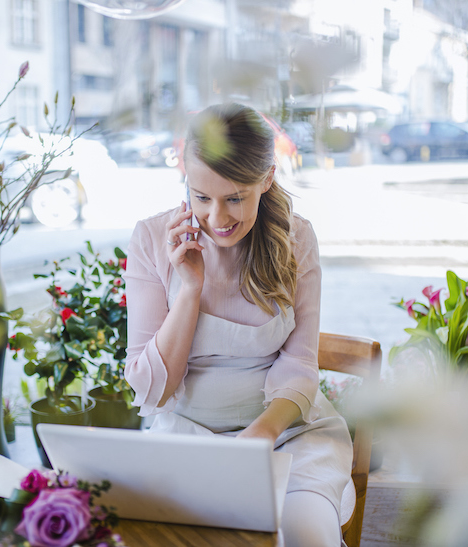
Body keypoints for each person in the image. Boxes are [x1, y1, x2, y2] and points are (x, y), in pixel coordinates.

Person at [123, 103, 353, 547]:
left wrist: (260, 436)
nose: (217, 219)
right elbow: (152, 391)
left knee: (304, 534)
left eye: (234, 198)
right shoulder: (152, 239)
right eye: (201, 196)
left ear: (266, 178)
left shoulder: (296, 238)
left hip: (285, 435)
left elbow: (300, 365)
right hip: (185, 437)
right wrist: (188, 291)